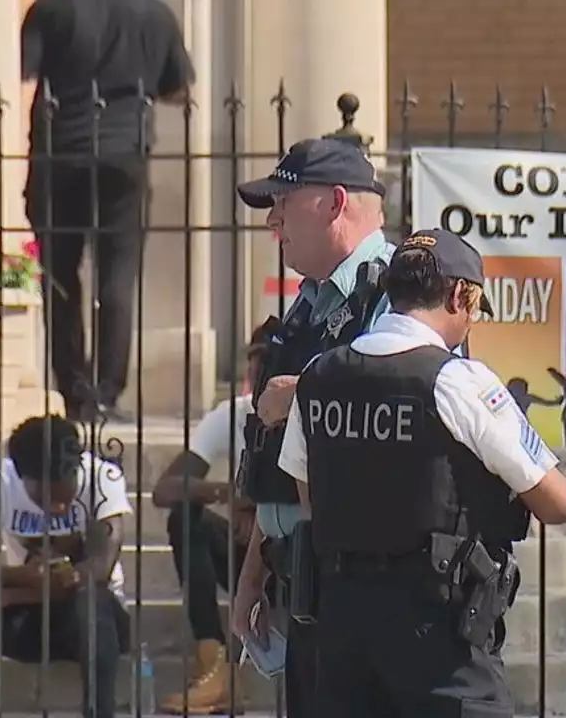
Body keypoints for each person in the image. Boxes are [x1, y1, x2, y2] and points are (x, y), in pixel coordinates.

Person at [278, 228, 566, 717]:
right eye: (476, 305)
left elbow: (310, 495)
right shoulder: (457, 379)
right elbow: (559, 503)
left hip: (341, 624)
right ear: (461, 295)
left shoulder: (319, 374)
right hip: (437, 628)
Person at [230, 137, 391, 717]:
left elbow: (419, 389)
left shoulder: (398, 287)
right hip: (298, 569)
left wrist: (303, 389)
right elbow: (281, 451)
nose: (272, 218)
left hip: (365, 571)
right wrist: (253, 569)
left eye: (283, 200)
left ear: (334, 202)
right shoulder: (310, 300)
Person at [22, 0, 195, 421]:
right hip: (125, 154)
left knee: (59, 280)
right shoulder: (155, 13)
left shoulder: (52, 9)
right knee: (117, 277)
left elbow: (24, 72)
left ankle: (75, 392)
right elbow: (179, 88)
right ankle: (106, 391)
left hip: (61, 153)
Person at [0, 414, 132, 718]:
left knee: (91, 599)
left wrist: (10, 593)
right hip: (27, 623)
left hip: (93, 624)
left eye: (65, 493)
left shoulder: (103, 479)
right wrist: (21, 577)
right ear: (21, 477)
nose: (59, 508)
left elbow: (99, 570)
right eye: (45, 498)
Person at [150, 325, 270, 714]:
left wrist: (258, 508)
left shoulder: (310, 412)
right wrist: (225, 494)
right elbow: (165, 489)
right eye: (255, 361)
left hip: (291, 557)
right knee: (186, 516)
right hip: (242, 552)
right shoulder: (233, 416)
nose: (259, 371)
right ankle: (213, 663)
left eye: (268, 361)